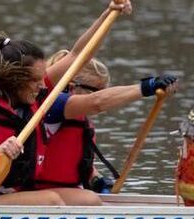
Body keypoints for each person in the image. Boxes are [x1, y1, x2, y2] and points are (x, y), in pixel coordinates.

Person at [0, 0, 143, 206]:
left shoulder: (32, 97)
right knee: (51, 200)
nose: (43, 85)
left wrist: (108, 15)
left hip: (5, 194)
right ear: (15, 79)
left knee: (88, 199)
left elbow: (78, 55)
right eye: (36, 80)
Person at [38, 50, 178, 193]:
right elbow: (97, 103)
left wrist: (99, 181)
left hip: (67, 193)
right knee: (89, 200)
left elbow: (81, 165)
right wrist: (148, 86)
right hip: (39, 193)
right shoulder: (50, 106)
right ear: (72, 87)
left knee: (92, 197)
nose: (105, 97)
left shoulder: (81, 122)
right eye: (97, 91)